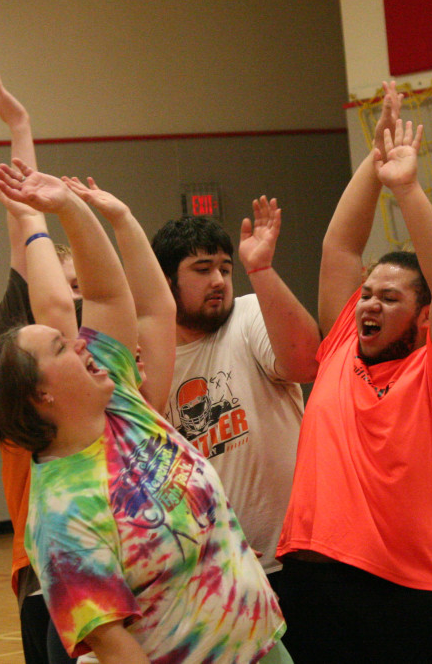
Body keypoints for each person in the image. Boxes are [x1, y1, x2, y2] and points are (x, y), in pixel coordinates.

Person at [0, 160, 287, 663]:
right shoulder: (61, 513)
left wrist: (69, 206)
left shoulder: (118, 403)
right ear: (41, 395)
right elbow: (114, 646)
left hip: (262, 647)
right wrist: (33, 221)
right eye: (61, 347)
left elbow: (108, 293)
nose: (80, 345)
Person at [275, 89, 432, 663]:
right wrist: (375, 160)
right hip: (312, 584)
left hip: (405, 593)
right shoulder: (340, 346)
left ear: (424, 316)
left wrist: (408, 189)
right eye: (366, 294)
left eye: (389, 298)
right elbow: (340, 244)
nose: (368, 305)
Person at [150, 201, 318, 588]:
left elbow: (306, 364)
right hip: (212, 570)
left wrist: (261, 270)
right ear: (165, 279)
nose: (219, 281)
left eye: (225, 269)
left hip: (296, 559)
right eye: (202, 269)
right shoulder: (153, 360)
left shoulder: (249, 313)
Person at [0, 66, 77, 664]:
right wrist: (21, 125)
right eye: (59, 285)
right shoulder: (19, 378)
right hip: (43, 572)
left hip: (113, 567)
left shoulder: (99, 372)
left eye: (74, 289)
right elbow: (24, 234)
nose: (66, 299)